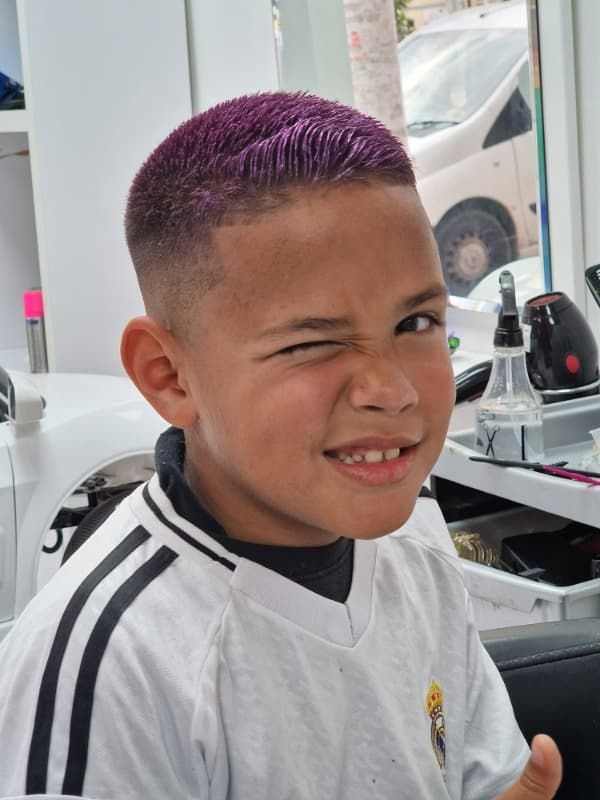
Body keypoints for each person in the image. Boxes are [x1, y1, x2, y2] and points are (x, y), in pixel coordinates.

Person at [0, 92, 561, 800]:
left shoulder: (414, 538)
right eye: (312, 342)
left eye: (417, 321)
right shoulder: (115, 662)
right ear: (169, 375)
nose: (390, 390)